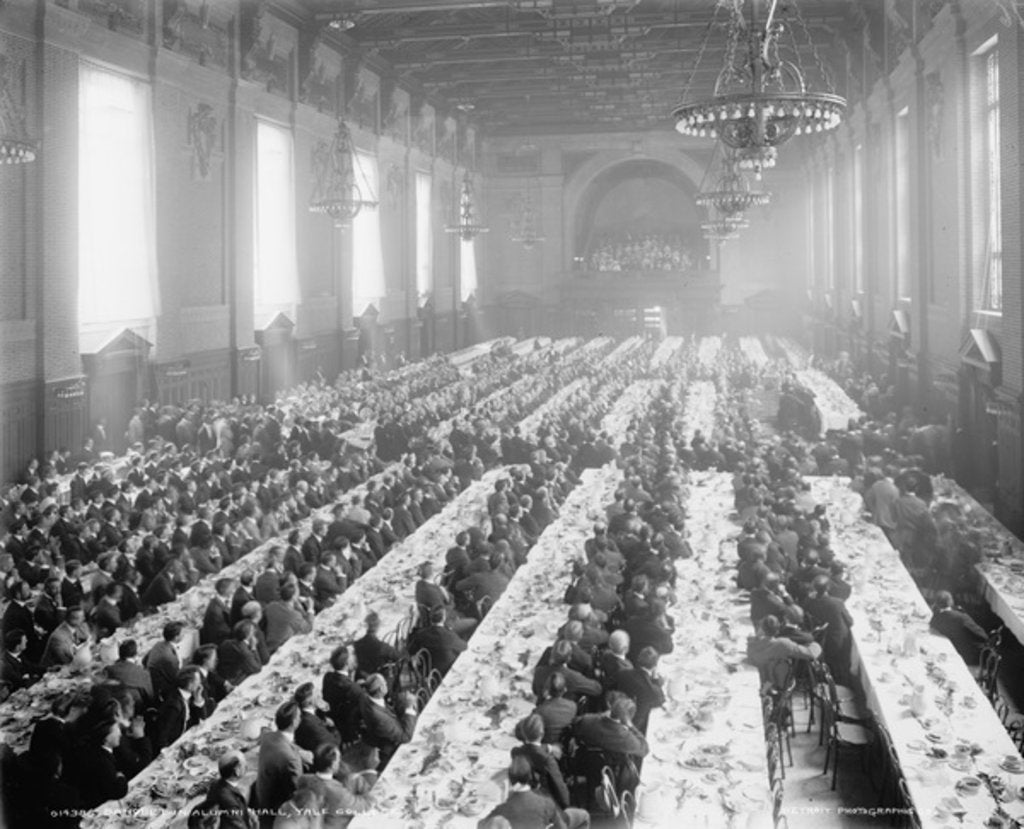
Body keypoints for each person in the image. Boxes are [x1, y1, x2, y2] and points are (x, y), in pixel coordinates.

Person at [479, 755, 575, 829]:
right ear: (530, 777)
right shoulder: (547, 802)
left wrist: (505, 799)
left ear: (510, 781)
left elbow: (481, 825)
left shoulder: (503, 808)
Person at [253, 701, 306, 828]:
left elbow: (285, 743)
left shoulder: (268, 736)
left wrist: (300, 751)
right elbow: (297, 791)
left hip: (263, 798)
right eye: (299, 716)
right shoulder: (290, 759)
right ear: (294, 723)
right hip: (279, 809)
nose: (301, 718)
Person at [295, 745, 373, 828]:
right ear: (332, 766)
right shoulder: (337, 793)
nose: (340, 762)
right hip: (335, 825)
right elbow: (365, 806)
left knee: (352, 779)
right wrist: (370, 772)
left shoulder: (303, 779)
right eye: (338, 760)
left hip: (317, 818)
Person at [746, 614, 822, 691]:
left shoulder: (752, 645)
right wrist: (815, 644)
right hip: (777, 685)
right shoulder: (783, 644)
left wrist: (755, 638)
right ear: (777, 631)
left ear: (761, 628)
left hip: (755, 683)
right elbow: (811, 654)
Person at [803, 575, 854, 685]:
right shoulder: (837, 603)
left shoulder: (808, 601)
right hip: (835, 642)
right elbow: (850, 622)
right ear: (828, 588)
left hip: (817, 639)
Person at [358, 673, 416, 768]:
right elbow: (405, 737)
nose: (387, 684)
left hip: (388, 727)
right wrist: (409, 707)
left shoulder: (365, 697)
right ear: (381, 689)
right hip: (391, 746)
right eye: (385, 683)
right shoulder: (379, 718)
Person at [190, 750, 257, 829]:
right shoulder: (230, 801)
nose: (246, 766)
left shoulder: (216, 784)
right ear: (237, 771)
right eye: (244, 764)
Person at [612, 646, 666, 733]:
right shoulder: (651, 690)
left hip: (618, 713)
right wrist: (655, 679)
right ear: (655, 665)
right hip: (634, 726)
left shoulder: (623, 673)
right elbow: (660, 700)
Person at [151, 667, 206, 751]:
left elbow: (201, 719)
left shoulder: (189, 695)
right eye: (198, 681)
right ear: (190, 684)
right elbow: (162, 735)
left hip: (186, 739)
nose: (200, 684)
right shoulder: (174, 705)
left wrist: (198, 698)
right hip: (174, 746)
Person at [930, 591, 989, 666]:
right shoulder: (962, 618)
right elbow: (983, 636)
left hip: (947, 650)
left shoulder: (936, 617)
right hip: (966, 655)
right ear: (950, 601)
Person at [322, 645, 366, 745]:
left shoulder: (327, 677)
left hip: (334, 718)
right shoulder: (353, 689)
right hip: (349, 726)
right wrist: (356, 686)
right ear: (346, 663)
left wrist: (352, 682)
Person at [405, 606, 467, 677]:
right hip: (448, 671)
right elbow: (464, 647)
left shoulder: (420, 634)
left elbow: (410, 650)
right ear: (444, 618)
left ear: (430, 619)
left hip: (428, 672)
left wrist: (415, 657)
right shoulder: (449, 635)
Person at [264, 583, 314, 655]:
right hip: (282, 647)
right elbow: (308, 628)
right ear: (293, 597)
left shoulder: (271, 606)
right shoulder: (293, 614)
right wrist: (310, 608)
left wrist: (299, 608)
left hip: (269, 643)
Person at [104, 639, 155, 710]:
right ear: (135, 654)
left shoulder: (109, 670)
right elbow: (150, 697)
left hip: (114, 706)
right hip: (136, 708)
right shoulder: (143, 673)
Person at [293, 682, 340, 754]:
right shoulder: (313, 725)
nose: (320, 695)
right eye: (317, 696)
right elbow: (334, 743)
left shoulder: (299, 711)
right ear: (309, 702)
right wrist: (332, 727)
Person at [532, 671, 577, 746]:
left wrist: (542, 699)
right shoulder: (573, 706)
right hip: (565, 746)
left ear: (547, 690)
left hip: (546, 748)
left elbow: (529, 732)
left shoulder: (539, 711)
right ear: (565, 689)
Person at [352, 613, 399, 678]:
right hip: (376, 680)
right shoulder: (382, 647)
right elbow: (397, 656)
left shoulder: (357, 644)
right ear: (378, 627)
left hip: (360, 678)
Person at [201, 577, 236, 646]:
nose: (233, 590)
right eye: (231, 588)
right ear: (223, 589)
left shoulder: (219, 601)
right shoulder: (216, 610)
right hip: (220, 642)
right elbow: (222, 630)